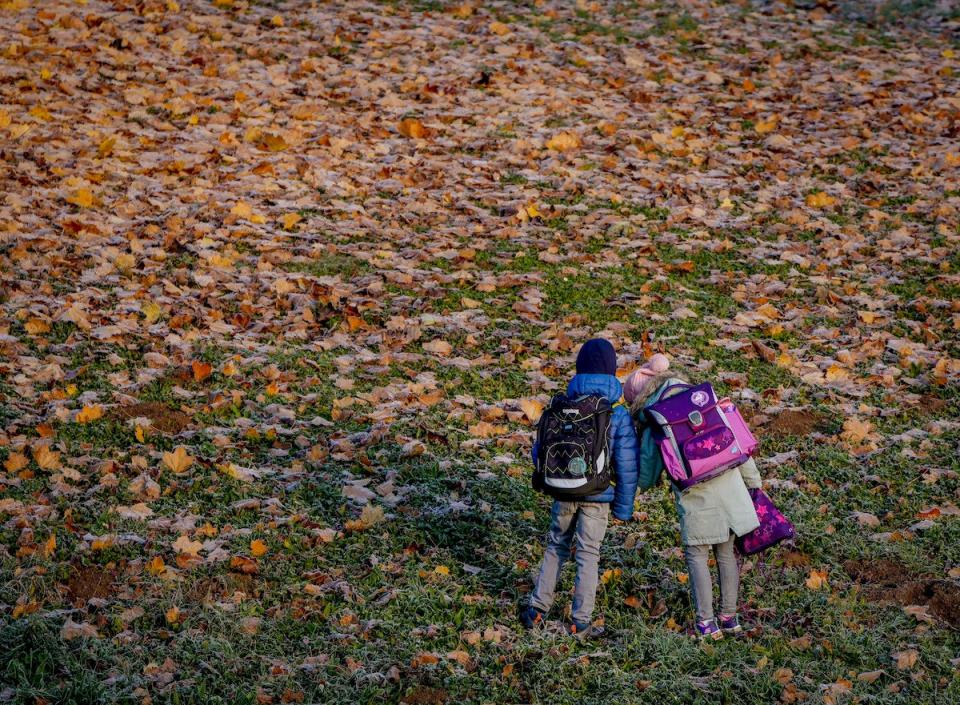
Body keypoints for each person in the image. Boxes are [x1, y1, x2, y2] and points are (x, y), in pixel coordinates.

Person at [624, 354, 761, 641]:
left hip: (696, 496)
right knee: (726, 553)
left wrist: (633, 487)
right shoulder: (701, 398)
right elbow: (737, 439)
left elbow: (647, 472)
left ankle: (706, 624)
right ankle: (730, 617)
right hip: (729, 485)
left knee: (697, 555)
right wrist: (753, 483)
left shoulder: (656, 417)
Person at [521, 338, 639, 637]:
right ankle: (580, 619)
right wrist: (623, 508)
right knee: (588, 553)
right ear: (613, 371)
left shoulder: (561, 405)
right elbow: (627, 465)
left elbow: (540, 450)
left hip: (563, 491)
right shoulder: (616, 413)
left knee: (555, 545)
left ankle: (537, 609)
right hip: (597, 497)